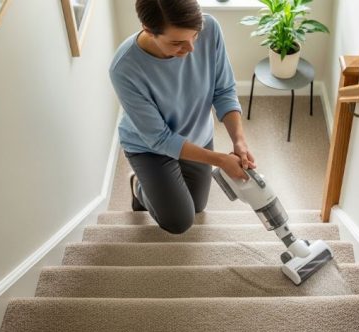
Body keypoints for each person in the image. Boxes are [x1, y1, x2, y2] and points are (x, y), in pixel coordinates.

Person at [109, 0, 255, 234]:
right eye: (177, 43)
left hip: (197, 135)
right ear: (148, 29)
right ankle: (138, 185)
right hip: (150, 147)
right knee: (179, 221)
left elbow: (224, 90)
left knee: (197, 207)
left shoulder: (211, 28)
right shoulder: (124, 68)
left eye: (195, 36)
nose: (191, 50)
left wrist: (239, 140)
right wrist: (219, 160)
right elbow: (160, 139)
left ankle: (157, 186)